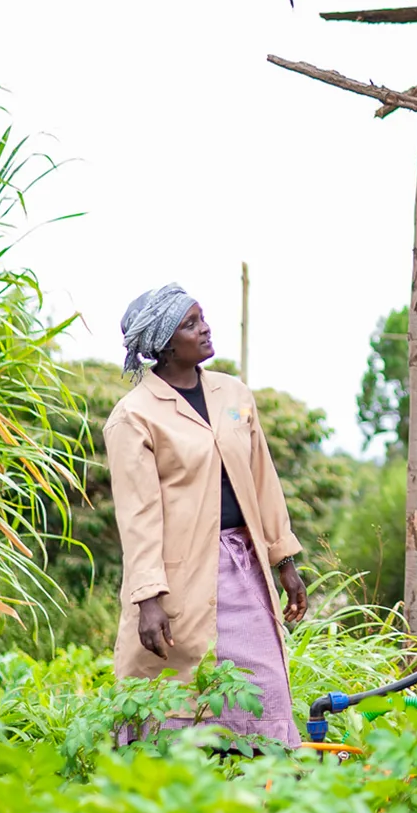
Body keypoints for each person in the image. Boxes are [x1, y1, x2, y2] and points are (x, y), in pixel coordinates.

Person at [104, 284, 308, 746]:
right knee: (174, 702)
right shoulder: (133, 416)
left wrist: (285, 562)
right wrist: (148, 599)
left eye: (203, 318)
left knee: (264, 689)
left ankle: (267, 795)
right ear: (164, 344)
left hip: (245, 568)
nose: (205, 328)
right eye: (190, 324)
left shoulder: (233, 394)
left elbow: (263, 482)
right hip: (179, 579)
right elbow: (137, 518)